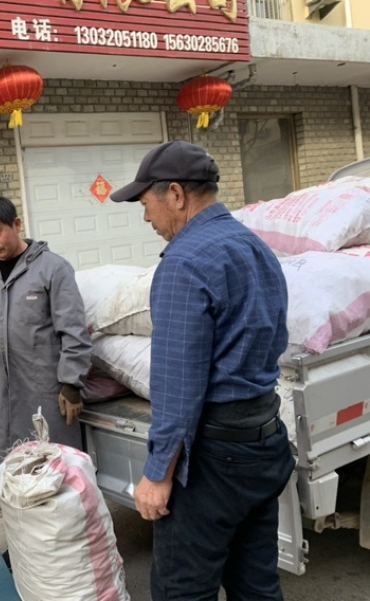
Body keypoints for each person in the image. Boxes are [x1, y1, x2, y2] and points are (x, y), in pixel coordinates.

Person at [110, 141, 295, 600]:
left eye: (145, 203)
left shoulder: (184, 262)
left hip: (214, 460)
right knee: (256, 583)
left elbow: (177, 385)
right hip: (263, 442)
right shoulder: (254, 246)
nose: (145, 216)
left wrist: (157, 475)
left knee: (182, 590)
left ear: (175, 194)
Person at [0, 195, 92, 484]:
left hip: (46, 395)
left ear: (17, 224)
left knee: (54, 475)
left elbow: (73, 330)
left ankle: (62, 529)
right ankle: (18, 527)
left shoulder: (53, 269)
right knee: (8, 474)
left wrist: (72, 383)